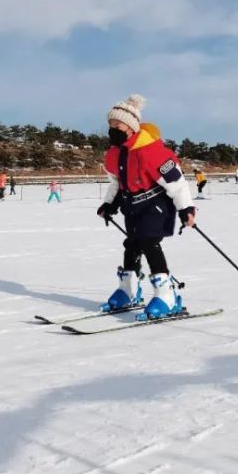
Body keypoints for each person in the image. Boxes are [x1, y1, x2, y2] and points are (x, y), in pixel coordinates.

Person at [97, 94, 195, 320]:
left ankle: (166, 296)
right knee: (131, 244)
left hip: (156, 205)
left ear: (131, 127)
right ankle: (128, 291)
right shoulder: (114, 153)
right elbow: (116, 182)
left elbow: (176, 182)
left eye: (117, 125)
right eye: (110, 125)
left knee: (149, 242)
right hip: (132, 206)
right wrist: (109, 203)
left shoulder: (151, 151)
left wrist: (186, 209)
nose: (112, 129)